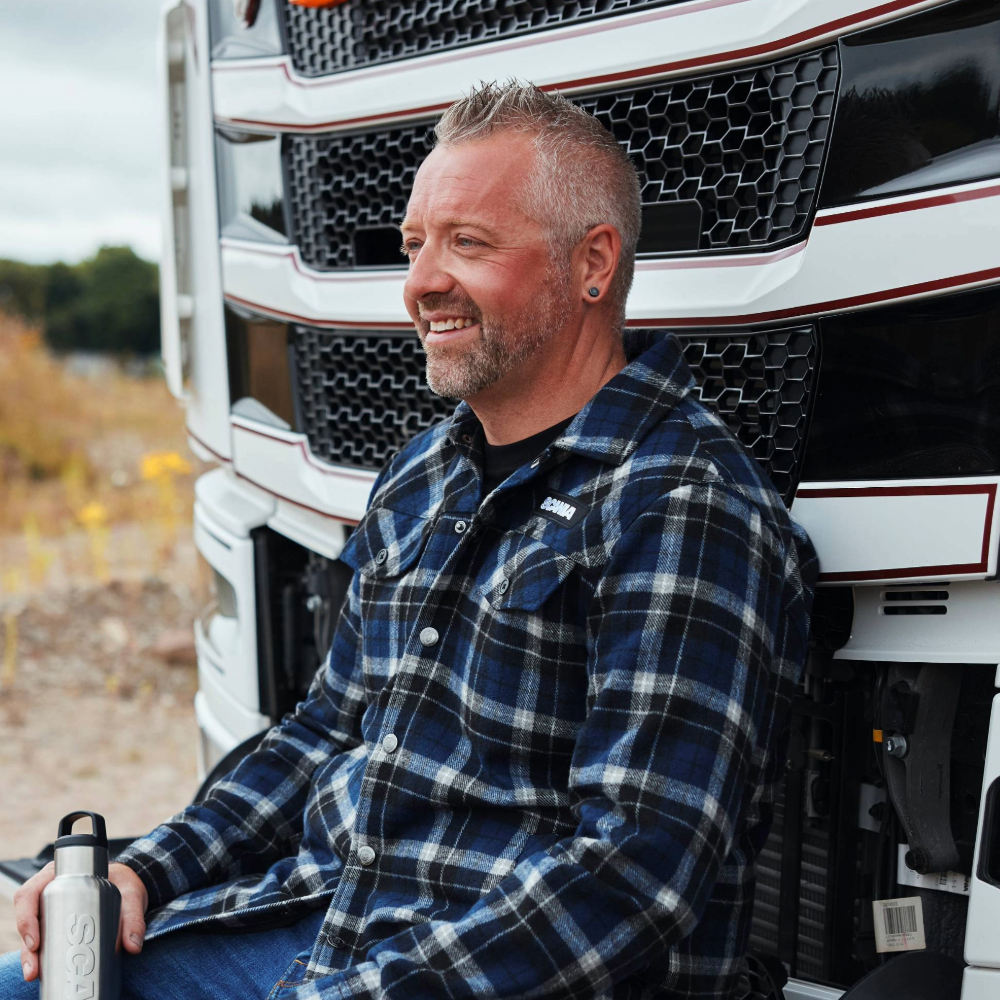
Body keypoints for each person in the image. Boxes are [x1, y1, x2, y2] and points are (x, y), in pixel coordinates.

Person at [5, 81, 817, 1000]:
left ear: (594, 263)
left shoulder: (684, 506)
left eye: (467, 242)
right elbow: (324, 731)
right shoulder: (425, 472)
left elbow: (633, 875)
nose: (422, 282)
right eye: (415, 244)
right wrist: (146, 871)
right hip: (324, 922)